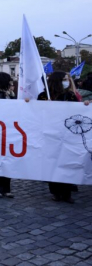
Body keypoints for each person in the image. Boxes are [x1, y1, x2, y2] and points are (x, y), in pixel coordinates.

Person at [38, 71, 90, 203]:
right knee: (52, 163)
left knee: (67, 163)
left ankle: (66, 193)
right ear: (57, 81)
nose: (67, 82)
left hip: (67, 135)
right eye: (64, 79)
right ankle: (55, 191)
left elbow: (77, 112)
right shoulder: (44, 96)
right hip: (50, 135)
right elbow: (35, 112)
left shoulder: (70, 95)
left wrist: (85, 106)